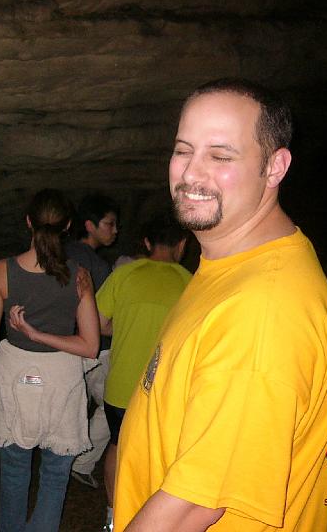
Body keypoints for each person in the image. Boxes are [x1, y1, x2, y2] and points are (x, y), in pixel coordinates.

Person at [114, 79, 327, 532]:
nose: (191, 174)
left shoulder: (265, 311)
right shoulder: (234, 266)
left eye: (221, 156)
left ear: (275, 166)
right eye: (184, 150)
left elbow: (193, 506)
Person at [0, 188, 100, 532]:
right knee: (56, 474)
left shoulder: (3, 270)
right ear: (68, 227)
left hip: (16, 372)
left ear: (28, 222)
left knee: (14, 470)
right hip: (61, 375)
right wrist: (44, 336)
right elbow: (90, 346)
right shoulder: (78, 274)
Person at [95, 211, 191, 531]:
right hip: (167, 392)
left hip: (122, 386)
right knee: (164, 456)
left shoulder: (124, 274)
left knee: (117, 446)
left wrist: (125, 327)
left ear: (147, 243)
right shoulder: (192, 283)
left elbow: (97, 324)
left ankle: (113, 515)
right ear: (181, 245)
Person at [65, 194, 120, 489]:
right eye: (109, 224)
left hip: (70, 342)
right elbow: (99, 313)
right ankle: (80, 462)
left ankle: (66, 457)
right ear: (89, 225)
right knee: (114, 403)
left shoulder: (66, 253)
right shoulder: (92, 264)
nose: (115, 230)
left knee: (76, 403)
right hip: (96, 346)